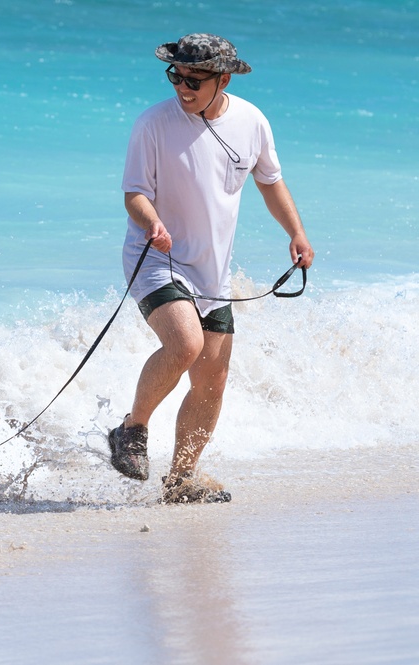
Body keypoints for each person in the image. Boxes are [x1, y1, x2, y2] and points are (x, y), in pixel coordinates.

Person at [109, 34, 314, 503]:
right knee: (185, 344)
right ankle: (131, 430)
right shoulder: (153, 124)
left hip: (211, 271)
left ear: (222, 79)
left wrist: (296, 234)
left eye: (194, 79)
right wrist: (153, 221)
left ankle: (181, 482)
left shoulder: (252, 121)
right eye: (176, 76)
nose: (182, 86)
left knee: (212, 380)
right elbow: (133, 194)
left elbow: (271, 183)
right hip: (156, 257)